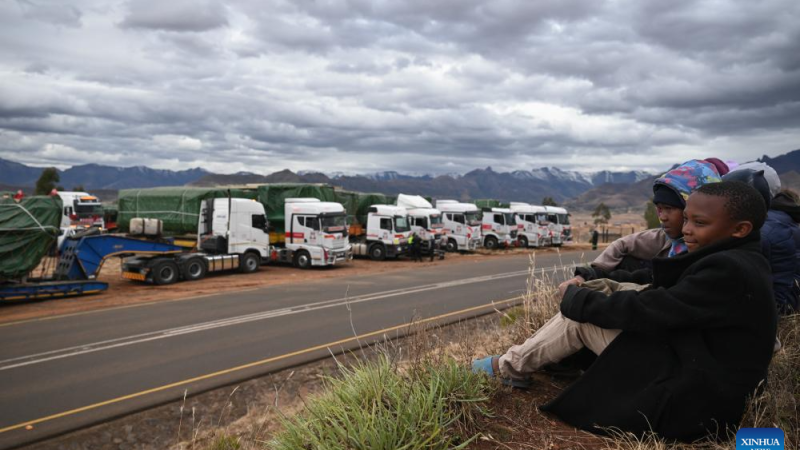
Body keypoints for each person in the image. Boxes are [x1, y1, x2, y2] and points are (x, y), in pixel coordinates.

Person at [474, 181, 776, 442]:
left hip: (695, 401)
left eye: (700, 223)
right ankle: (518, 364)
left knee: (579, 319)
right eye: (687, 220)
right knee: (593, 307)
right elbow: (661, 292)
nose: (686, 230)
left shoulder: (727, 269)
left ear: (740, 229)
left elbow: (654, 309)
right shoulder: (742, 259)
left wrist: (578, 301)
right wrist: (597, 286)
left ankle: (508, 368)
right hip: (706, 380)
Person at [578, 159, 722, 281]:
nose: (662, 216)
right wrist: (589, 275)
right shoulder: (667, 240)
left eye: (669, 208)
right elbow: (623, 244)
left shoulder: (716, 258)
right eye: (659, 208)